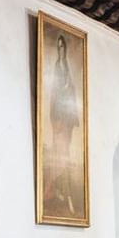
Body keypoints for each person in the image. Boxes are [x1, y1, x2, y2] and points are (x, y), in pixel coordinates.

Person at [49, 32, 80, 216]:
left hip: (66, 118)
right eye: (58, 47)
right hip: (59, 116)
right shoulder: (56, 67)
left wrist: (70, 88)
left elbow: (71, 89)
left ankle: (64, 190)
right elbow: (55, 90)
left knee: (66, 152)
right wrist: (64, 89)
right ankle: (59, 189)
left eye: (63, 47)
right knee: (59, 153)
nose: (61, 50)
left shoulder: (66, 67)